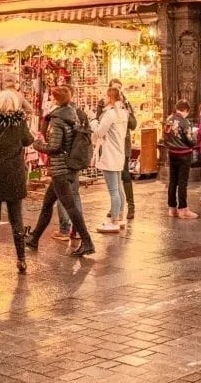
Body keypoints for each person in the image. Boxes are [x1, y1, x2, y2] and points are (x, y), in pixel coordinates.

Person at [25, 86, 95, 256]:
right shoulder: (74, 115)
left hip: (60, 169)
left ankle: (87, 242)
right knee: (48, 203)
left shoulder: (57, 120)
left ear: (55, 100)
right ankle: (34, 238)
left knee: (70, 207)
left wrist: (37, 145)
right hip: (69, 166)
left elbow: (55, 146)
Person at [0, 89, 34, 278]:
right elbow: (28, 141)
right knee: (16, 219)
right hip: (14, 175)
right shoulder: (19, 123)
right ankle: (22, 260)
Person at [97, 78, 137, 220]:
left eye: (119, 88)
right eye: (115, 88)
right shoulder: (104, 106)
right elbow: (99, 121)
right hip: (113, 146)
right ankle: (117, 210)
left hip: (119, 147)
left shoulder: (124, 108)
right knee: (115, 185)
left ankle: (127, 208)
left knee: (122, 179)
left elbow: (133, 125)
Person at [91, 86, 129, 234]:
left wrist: (94, 122)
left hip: (109, 155)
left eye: (105, 96)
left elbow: (100, 131)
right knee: (118, 187)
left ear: (110, 97)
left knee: (113, 190)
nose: (103, 99)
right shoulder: (123, 113)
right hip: (118, 154)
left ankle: (114, 221)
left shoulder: (110, 114)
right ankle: (120, 216)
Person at [164, 100, 198, 219]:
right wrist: (195, 139)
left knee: (172, 181)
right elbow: (190, 140)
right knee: (182, 182)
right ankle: (183, 209)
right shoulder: (185, 122)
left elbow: (166, 137)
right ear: (186, 110)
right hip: (184, 154)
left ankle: (172, 208)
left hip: (172, 153)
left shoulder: (168, 119)